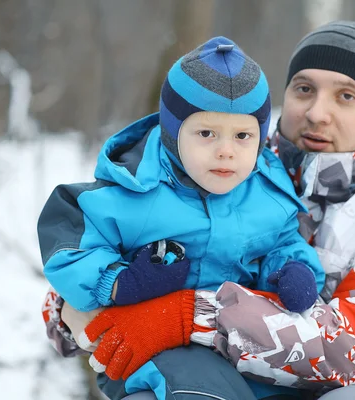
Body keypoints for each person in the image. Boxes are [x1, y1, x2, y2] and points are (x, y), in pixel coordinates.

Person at [44, 21, 355, 400]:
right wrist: (81, 307)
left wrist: (190, 315)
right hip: (203, 380)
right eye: (303, 89)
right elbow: (92, 253)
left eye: (345, 95)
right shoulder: (237, 157)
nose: (316, 112)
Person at [38, 36, 325, 399]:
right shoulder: (134, 192)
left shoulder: (267, 191)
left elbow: (283, 241)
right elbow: (68, 241)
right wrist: (118, 282)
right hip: (147, 349)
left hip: (237, 351)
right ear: (173, 134)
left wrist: (291, 270)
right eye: (206, 133)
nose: (226, 151)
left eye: (242, 135)